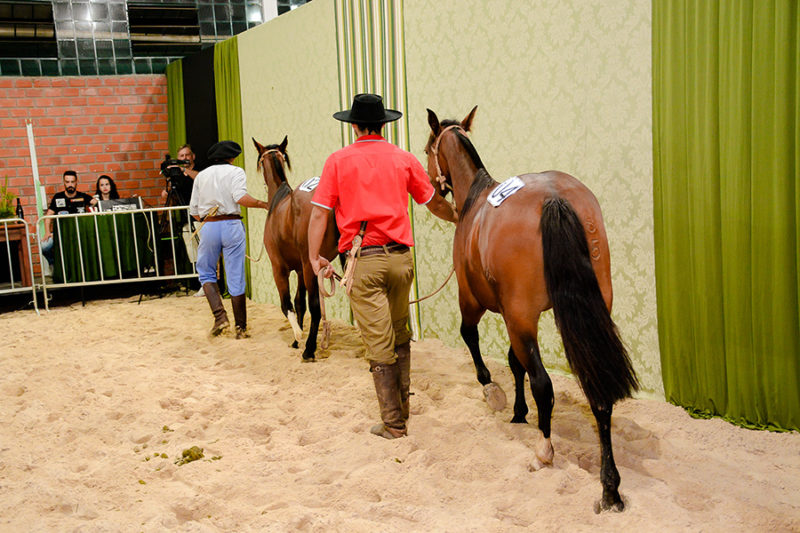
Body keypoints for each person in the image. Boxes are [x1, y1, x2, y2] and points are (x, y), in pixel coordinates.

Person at [308, 93, 457, 439]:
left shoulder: (338, 161)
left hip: (364, 262)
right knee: (400, 332)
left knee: (378, 343)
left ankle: (393, 423)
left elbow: (320, 212)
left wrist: (316, 256)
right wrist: (459, 219)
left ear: (355, 125)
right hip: (402, 260)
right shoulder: (403, 159)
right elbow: (433, 203)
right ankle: (402, 411)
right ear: (383, 125)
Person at [189, 140, 270, 339]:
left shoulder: (201, 176)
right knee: (236, 274)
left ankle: (220, 317)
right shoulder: (236, 172)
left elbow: (194, 212)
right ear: (232, 157)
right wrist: (262, 204)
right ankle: (241, 327)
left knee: (206, 272)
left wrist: (209, 218)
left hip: (209, 225)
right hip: (232, 224)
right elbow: (240, 197)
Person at [41, 170, 95, 266]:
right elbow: (48, 216)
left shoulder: (82, 196)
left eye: (72, 182)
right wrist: (48, 232)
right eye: (67, 182)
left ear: (76, 182)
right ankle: (55, 265)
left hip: (79, 233)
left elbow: (95, 202)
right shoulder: (58, 197)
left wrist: (97, 199)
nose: (70, 184)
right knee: (44, 246)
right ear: (64, 183)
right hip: (61, 233)